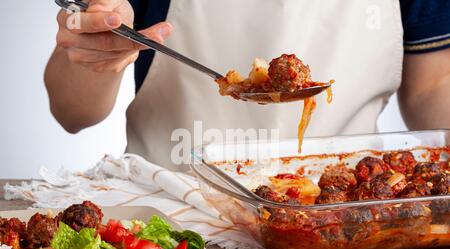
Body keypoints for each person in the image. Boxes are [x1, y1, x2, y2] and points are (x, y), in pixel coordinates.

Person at [45, 0, 450, 171]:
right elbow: (73, 111)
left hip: (345, 220)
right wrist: (95, 46)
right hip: (171, 230)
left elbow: (431, 85)